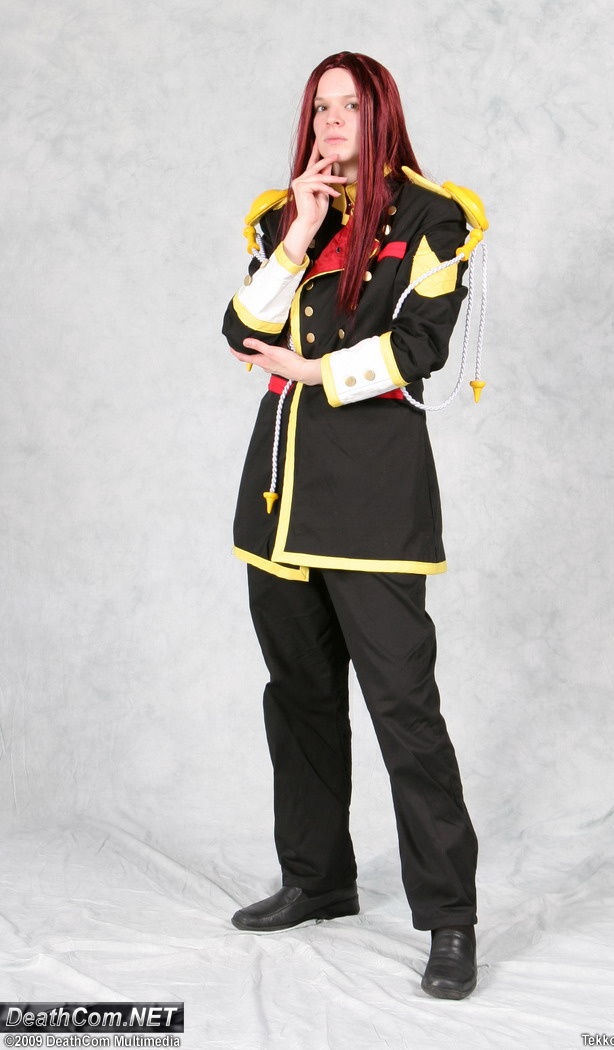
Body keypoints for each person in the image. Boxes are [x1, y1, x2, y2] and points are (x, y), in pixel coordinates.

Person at [222, 51, 480, 1000]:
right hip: (279, 498)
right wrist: (299, 233)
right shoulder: (279, 217)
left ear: (382, 116)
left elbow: (419, 346)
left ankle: (449, 918)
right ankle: (317, 879)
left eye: (350, 107)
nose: (331, 121)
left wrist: (312, 370)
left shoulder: (433, 217)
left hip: (372, 501)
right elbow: (239, 329)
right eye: (320, 107)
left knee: (404, 710)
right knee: (298, 697)